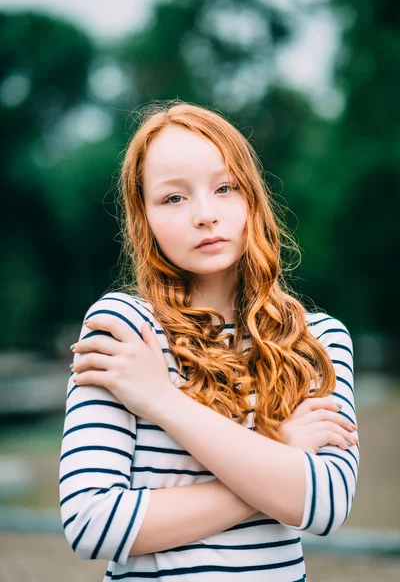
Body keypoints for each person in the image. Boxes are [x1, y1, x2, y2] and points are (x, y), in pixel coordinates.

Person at [59, 101, 359, 581]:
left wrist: (162, 401)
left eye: (225, 188)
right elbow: (93, 524)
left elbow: (324, 505)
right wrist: (278, 458)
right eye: (173, 198)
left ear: (252, 199)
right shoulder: (124, 327)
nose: (205, 215)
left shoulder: (318, 340)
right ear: (145, 218)